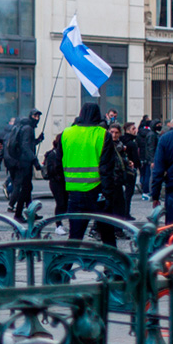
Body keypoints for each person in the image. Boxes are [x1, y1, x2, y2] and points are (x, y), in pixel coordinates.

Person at [61, 103, 116, 245]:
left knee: (74, 237)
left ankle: (63, 267)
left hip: (74, 192)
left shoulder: (66, 133)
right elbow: (107, 168)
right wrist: (109, 194)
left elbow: (59, 162)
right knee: (107, 235)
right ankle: (111, 265)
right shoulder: (103, 134)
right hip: (97, 191)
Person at [6, 109, 44, 222]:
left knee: (27, 188)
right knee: (25, 189)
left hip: (23, 162)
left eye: (38, 116)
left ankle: (30, 212)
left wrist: (38, 140)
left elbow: (28, 144)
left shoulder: (25, 127)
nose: (36, 118)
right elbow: (25, 147)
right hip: (24, 164)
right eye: (35, 116)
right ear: (30, 116)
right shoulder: (28, 128)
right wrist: (35, 161)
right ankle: (18, 214)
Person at [107, 124, 129, 219]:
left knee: (120, 206)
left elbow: (121, 160)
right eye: (112, 132)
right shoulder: (106, 145)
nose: (114, 135)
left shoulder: (120, 146)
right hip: (109, 179)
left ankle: (118, 230)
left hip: (118, 179)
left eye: (116, 133)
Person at [121, 122, 141, 220]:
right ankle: (126, 213)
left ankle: (123, 212)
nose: (135, 130)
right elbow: (136, 158)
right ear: (128, 130)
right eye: (133, 129)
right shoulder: (132, 143)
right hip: (130, 170)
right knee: (129, 193)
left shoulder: (121, 141)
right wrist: (137, 166)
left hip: (121, 170)